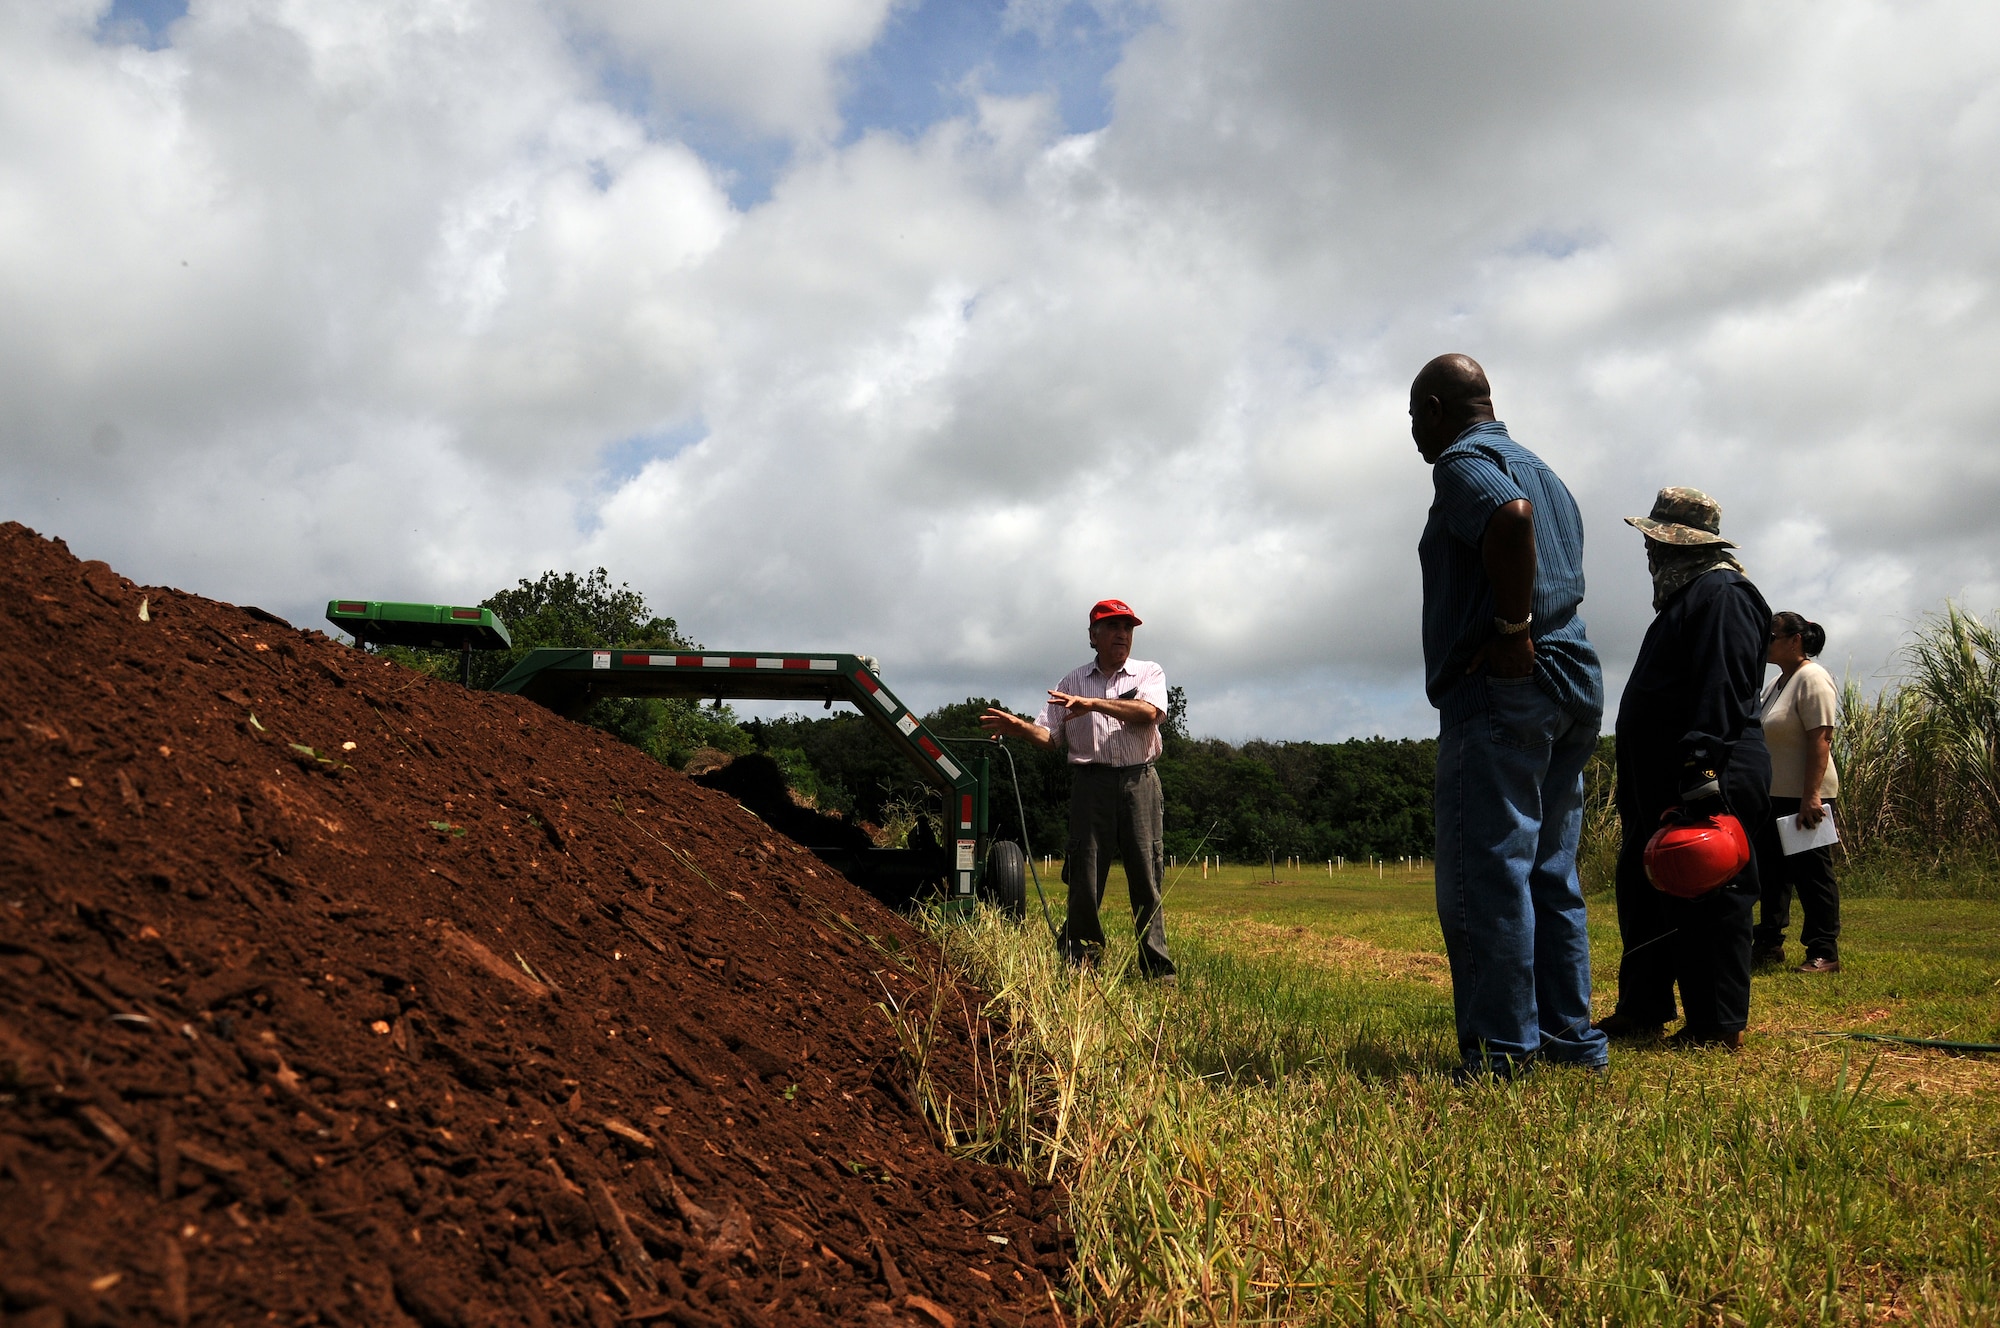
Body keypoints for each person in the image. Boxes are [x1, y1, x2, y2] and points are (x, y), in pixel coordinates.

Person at [1410, 354, 1608, 1078]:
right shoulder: (1545, 469)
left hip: (1505, 686)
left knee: (1488, 873)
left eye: (1413, 419)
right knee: (1550, 871)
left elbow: (1508, 517)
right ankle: (1570, 1042)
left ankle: (1501, 1055)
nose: (1414, 437)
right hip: (1573, 677)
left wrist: (1510, 629)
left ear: (1435, 408)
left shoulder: (1465, 462)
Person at [1595, 488, 1772, 1050]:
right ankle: (1643, 1007)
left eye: (1658, 542)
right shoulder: (1687, 598)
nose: (1651, 553)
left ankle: (1716, 1025)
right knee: (1646, 889)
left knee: (1709, 889)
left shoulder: (1722, 594)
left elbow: (1724, 681)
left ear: (1681, 544)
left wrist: (1701, 766)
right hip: (1661, 781)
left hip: (1706, 771)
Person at [979, 600, 1176, 981]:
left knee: (1147, 877)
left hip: (1140, 782)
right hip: (1091, 785)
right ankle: (1082, 963)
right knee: (1084, 876)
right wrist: (1020, 728)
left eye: (1128, 627)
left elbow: (1149, 713)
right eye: (1113, 626)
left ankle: (1158, 971)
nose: (1122, 634)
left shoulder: (1149, 672)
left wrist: (1094, 705)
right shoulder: (1071, 682)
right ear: (1093, 636)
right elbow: (1050, 736)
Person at [1751, 613, 1843, 973]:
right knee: (1771, 873)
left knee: (1812, 874)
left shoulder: (1812, 678)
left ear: (1795, 640)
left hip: (1805, 795)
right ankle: (1769, 942)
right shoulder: (1777, 682)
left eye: (1771, 636)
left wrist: (1812, 795)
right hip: (1774, 794)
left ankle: (1824, 950)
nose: (1766, 643)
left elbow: (1821, 738)